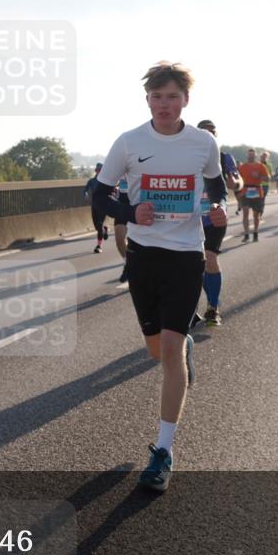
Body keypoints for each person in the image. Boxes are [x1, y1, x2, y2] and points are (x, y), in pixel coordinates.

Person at [93, 61, 227, 492]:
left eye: (172, 97)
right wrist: (130, 212)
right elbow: (98, 195)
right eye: (157, 97)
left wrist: (218, 209)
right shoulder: (129, 142)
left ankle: (163, 450)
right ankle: (181, 345)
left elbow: (216, 186)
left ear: (186, 99)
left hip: (186, 257)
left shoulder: (203, 142)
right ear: (147, 99)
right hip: (144, 257)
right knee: (158, 351)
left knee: (168, 350)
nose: (164, 104)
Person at [197, 120, 239, 326]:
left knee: (210, 256)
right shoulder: (187, 156)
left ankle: (213, 307)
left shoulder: (224, 157)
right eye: (205, 132)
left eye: (212, 132)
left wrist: (235, 183)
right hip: (190, 218)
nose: (209, 135)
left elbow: (238, 181)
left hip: (215, 216)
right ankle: (189, 308)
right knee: (192, 265)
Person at [238, 149, 268, 242]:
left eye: (252, 155)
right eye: (249, 155)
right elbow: (238, 180)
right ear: (247, 156)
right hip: (245, 191)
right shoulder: (242, 167)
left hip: (257, 191)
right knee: (245, 213)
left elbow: (267, 179)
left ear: (255, 156)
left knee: (256, 215)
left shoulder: (261, 166)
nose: (251, 156)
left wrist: (259, 176)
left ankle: (255, 232)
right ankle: (246, 234)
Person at [83, 163, 109, 253]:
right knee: (97, 226)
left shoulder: (106, 181)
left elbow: (112, 190)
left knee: (99, 224)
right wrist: (86, 194)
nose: (98, 171)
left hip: (103, 206)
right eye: (97, 170)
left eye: (100, 170)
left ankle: (99, 246)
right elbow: (85, 190)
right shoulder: (91, 181)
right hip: (94, 206)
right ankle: (104, 230)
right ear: (95, 171)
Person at [113, 177, 130, 282]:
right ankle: (128, 264)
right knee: (119, 239)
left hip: (139, 201)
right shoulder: (119, 162)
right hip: (122, 204)